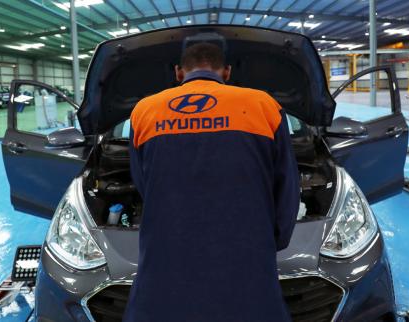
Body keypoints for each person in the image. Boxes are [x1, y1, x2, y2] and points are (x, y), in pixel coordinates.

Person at [124, 42, 300, 322]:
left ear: (179, 72)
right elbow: (287, 186)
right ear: (227, 72)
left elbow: (143, 182)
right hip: (248, 254)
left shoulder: (144, 110)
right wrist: (273, 239)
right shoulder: (264, 105)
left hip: (167, 252)